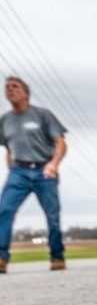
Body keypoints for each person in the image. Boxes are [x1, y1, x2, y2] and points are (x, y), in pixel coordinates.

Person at [0, 76, 68, 273]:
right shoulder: (5, 121)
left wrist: (53, 165)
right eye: (7, 88)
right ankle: (1, 257)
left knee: (52, 215)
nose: (10, 90)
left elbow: (60, 142)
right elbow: (9, 148)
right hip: (19, 171)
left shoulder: (42, 115)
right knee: (4, 210)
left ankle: (57, 256)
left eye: (15, 86)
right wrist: (12, 169)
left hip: (43, 170)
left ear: (26, 93)